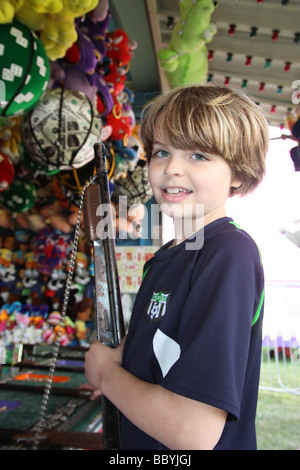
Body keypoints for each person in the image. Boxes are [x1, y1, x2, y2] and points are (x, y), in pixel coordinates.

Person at [84, 84, 270, 450]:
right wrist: (122, 380)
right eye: (162, 152)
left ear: (237, 173)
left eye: (198, 155)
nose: (172, 168)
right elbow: (160, 361)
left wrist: (106, 375)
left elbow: (193, 431)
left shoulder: (227, 253)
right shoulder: (162, 261)